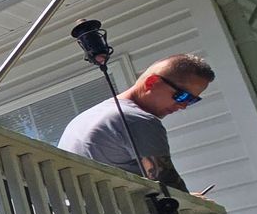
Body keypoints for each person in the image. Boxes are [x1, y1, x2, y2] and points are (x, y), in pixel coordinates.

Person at [57, 52, 214, 192]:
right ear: (151, 82)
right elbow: (170, 187)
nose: (184, 105)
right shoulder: (138, 120)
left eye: (192, 100)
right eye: (182, 96)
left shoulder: (84, 118)